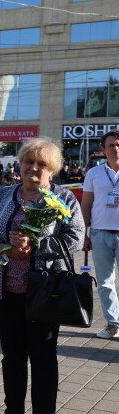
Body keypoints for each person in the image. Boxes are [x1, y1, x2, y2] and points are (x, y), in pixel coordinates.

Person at [0, 138, 84, 414]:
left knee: (43, 357)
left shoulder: (63, 198)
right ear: (20, 165)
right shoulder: (3, 195)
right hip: (5, 288)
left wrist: (35, 245)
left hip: (44, 293)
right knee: (12, 356)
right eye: (28, 162)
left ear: (52, 170)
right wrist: (0, 245)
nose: (33, 168)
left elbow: (75, 237)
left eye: (41, 164)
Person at [82, 131, 119, 340]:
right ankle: (113, 324)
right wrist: (84, 234)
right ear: (103, 150)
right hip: (99, 233)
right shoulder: (94, 174)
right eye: (111, 145)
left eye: (118, 144)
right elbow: (86, 204)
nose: (116, 148)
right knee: (105, 283)